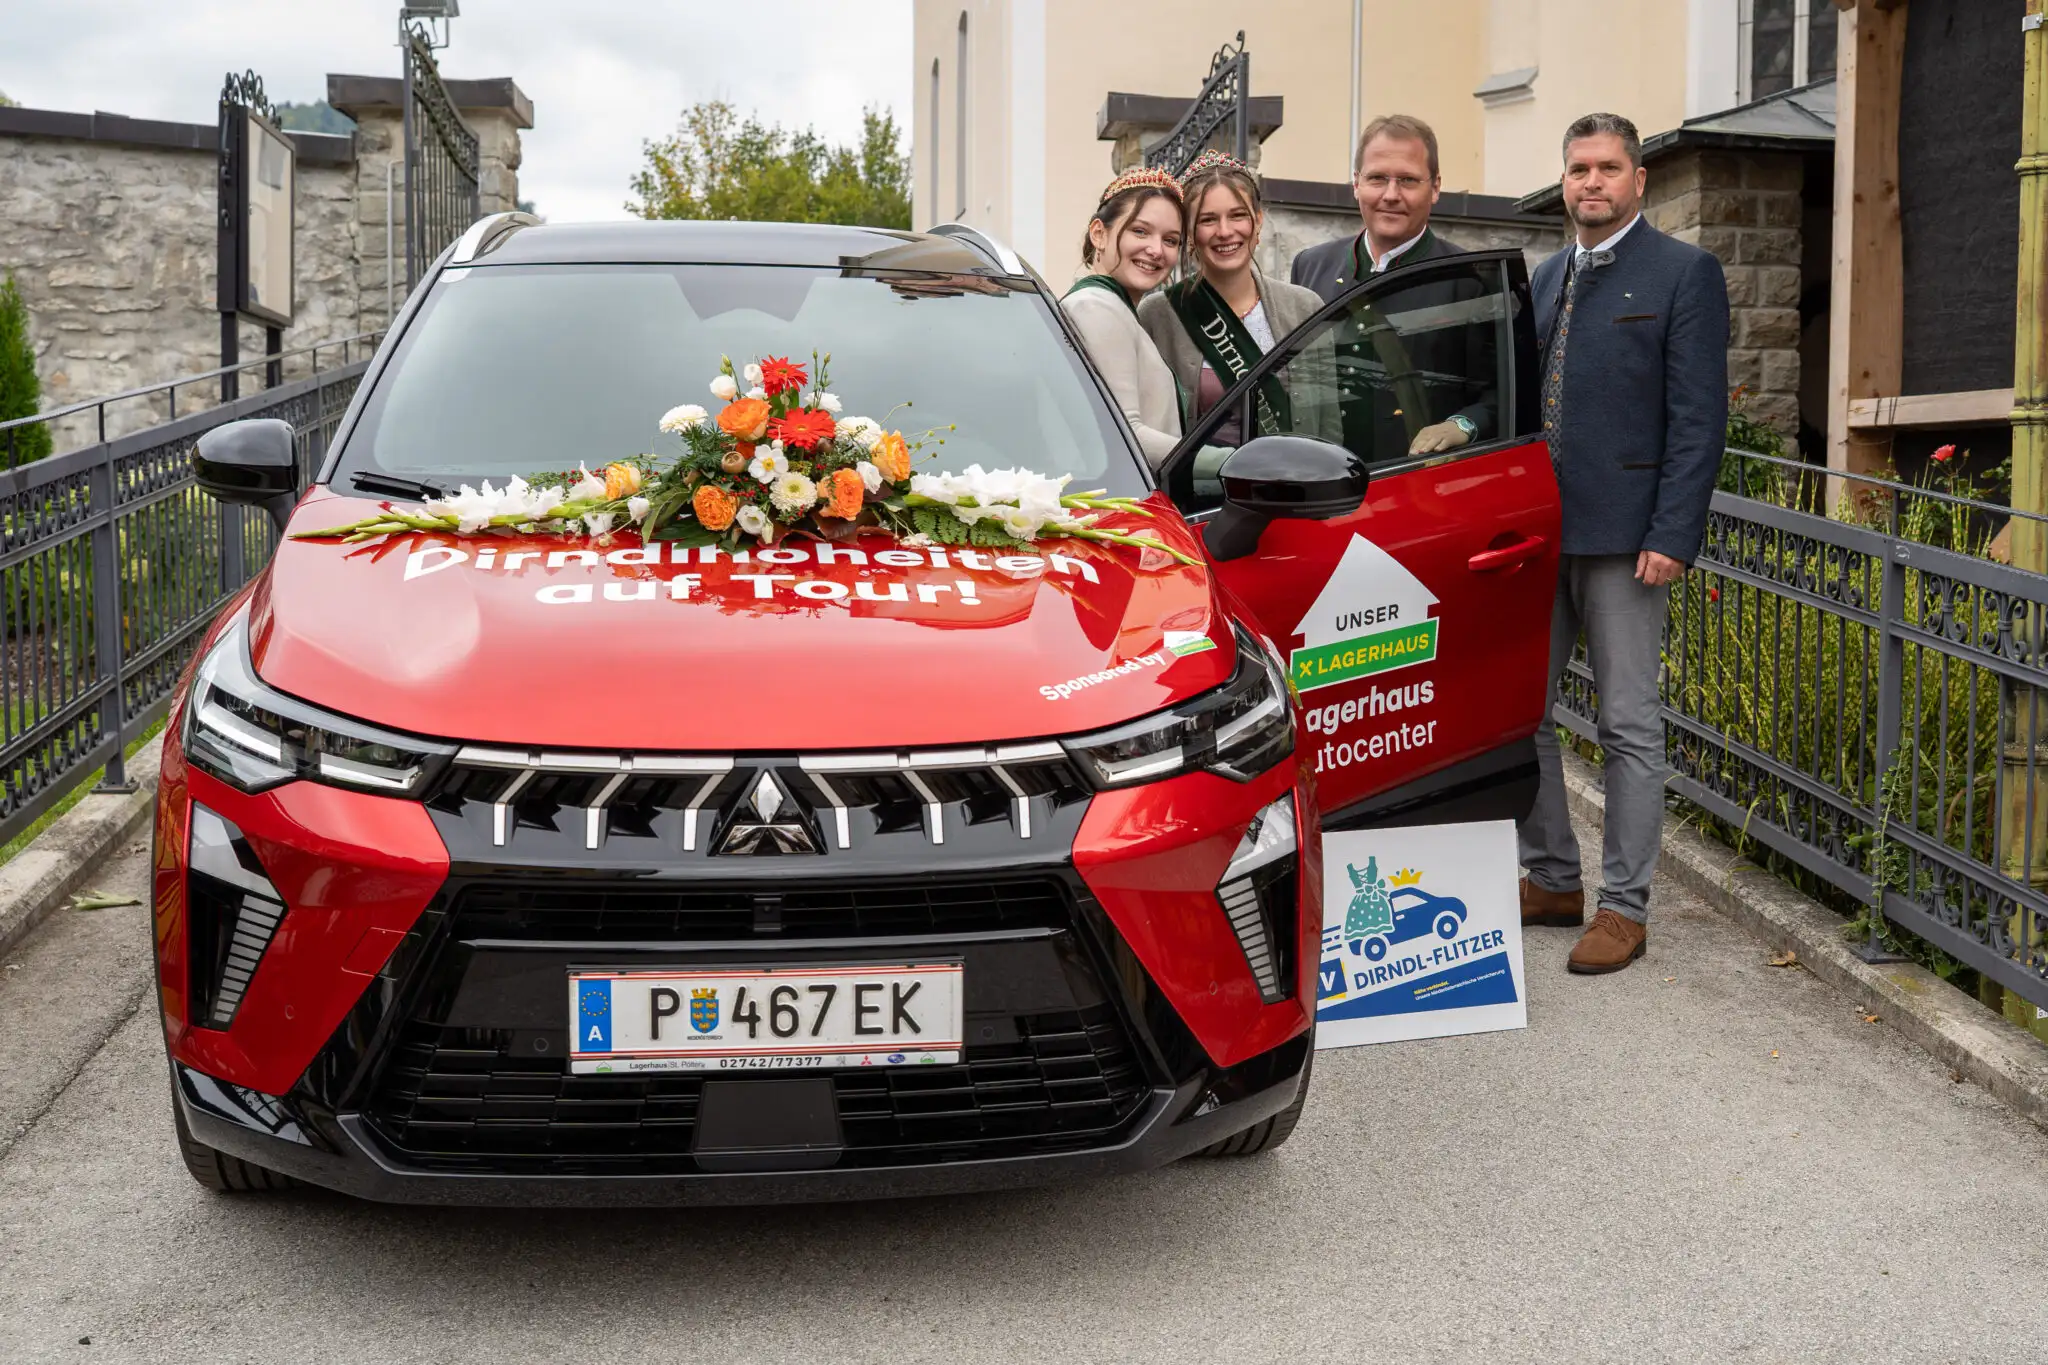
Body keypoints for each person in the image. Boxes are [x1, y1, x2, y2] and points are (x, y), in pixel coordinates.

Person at [1517, 112, 1729, 975]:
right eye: (1579, 169)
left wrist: (1673, 531)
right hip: (1538, 536)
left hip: (1630, 541)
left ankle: (1625, 906)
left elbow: (1698, 419)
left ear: (1639, 179)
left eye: (1608, 167)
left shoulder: (1684, 272)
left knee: (1628, 725)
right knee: (1520, 712)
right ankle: (1553, 876)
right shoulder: (1545, 277)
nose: (1592, 182)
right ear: (1564, 183)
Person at [1290, 113, 1491, 460]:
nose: (1391, 194)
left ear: (1436, 187)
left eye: (1408, 180)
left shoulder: (1471, 280)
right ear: (1356, 183)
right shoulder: (1311, 265)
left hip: (1414, 478)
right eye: (1377, 178)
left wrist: (1461, 425)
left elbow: (1500, 397)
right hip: (1320, 475)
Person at [1138, 150, 1326, 450]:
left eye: (1237, 215)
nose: (1225, 232)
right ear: (1189, 232)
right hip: (1200, 480)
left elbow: (1329, 423)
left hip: (1293, 475)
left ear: (1258, 220)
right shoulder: (1158, 315)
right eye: (1208, 220)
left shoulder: (1304, 307)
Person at [1059, 168, 1186, 467]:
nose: (1156, 250)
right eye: (1140, 231)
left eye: (1170, 240)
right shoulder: (1096, 306)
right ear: (1099, 234)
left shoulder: (1113, 307)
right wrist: (1226, 461)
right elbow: (1125, 433)